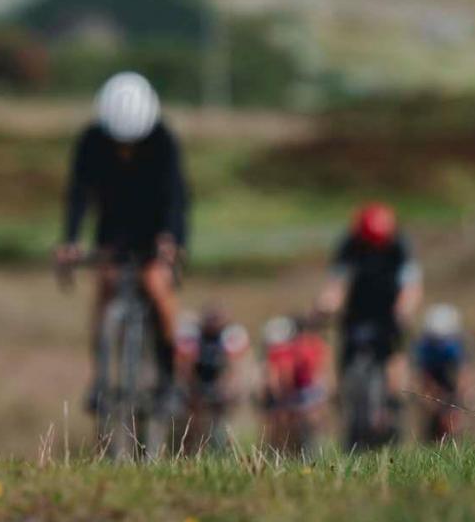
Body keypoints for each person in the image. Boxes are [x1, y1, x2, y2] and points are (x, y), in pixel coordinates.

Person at [54, 72, 188, 384]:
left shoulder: (164, 140)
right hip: (112, 225)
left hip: (157, 226)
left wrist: (170, 237)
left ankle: (169, 377)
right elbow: (78, 194)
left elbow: (175, 196)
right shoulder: (90, 140)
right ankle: (100, 376)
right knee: (105, 286)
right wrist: (70, 240)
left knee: (156, 285)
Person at [316, 202, 423, 439]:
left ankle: (394, 404)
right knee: (344, 360)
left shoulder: (400, 245)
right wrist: (327, 304)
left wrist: (405, 309)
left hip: (389, 312)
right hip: (356, 312)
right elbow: (336, 282)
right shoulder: (349, 245)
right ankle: (349, 417)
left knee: (395, 357)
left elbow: (411, 285)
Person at [176, 306, 249, 451]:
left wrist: (229, 389)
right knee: (193, 423)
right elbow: (186, 366)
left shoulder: (230, 335)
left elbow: (234, 367)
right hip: (198, 382)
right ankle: (190, 450)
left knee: (221, 424)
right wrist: (191, 390)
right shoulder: (194, 336)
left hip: (220, 383)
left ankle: (222, 450)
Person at [257, 314, 328, 454]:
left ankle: (299, 452)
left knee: (299, 426)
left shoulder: (312, 347)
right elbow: (279, 376)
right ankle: (281, 452)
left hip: (301, 391)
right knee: (282, 426)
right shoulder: (284, 350)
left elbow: (313, 375)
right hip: (291, 392)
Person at [410, 303, 475, 443]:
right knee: (431, 424)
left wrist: (460, 402)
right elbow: (420, 378)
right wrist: (429, 402)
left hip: (452, 380)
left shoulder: (461, 344)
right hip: (432, 379)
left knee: (454, 420)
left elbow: (467, 375)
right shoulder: (422, 346)